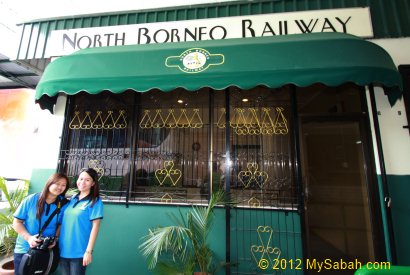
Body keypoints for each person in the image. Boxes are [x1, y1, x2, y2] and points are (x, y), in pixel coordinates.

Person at [13, 173, 70, 275]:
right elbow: (17, 222)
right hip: (24, 249)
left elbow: (60, 224)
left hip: (46, 250)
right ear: (49, 183)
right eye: (57, 183)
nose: (60, 187)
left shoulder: (64, 204)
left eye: (63, 185)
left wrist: (55, 239)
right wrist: (29, 238)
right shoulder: (31, 200)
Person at [59, 168, 104, 275]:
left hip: (79, 252)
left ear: (93, 183)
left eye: (87, 180)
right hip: (63, 249)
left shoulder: (95, 202)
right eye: (81, 178)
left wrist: (88, 252)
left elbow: (95, 227)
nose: (82, 182)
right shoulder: (72, 199)